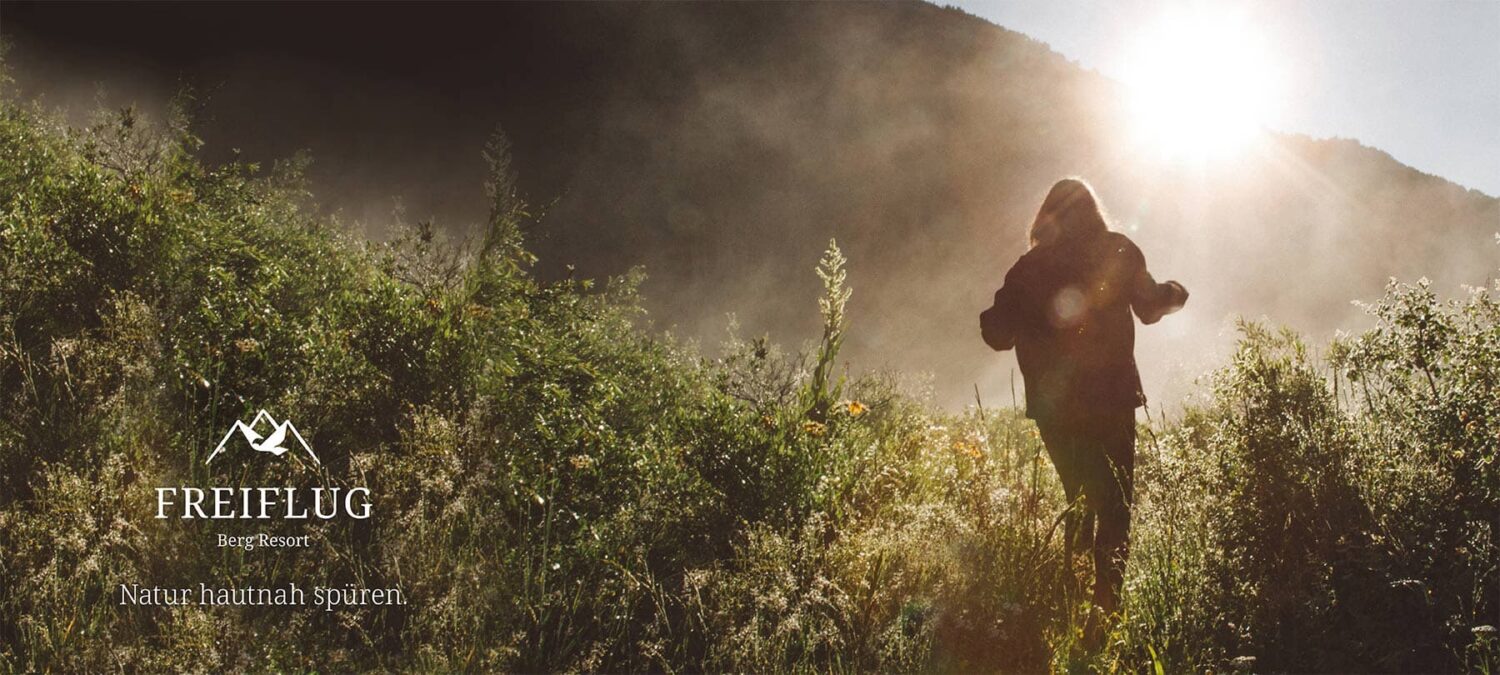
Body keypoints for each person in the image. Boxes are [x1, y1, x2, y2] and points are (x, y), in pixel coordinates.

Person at [979, 177, 1187, 632]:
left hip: (1056, 407)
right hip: (1112, 397)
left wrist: (1018, 317)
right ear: (1093, 211)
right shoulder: (1118, 249)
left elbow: (996, 333)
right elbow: (1151, 308)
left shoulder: (1028, 268)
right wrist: (1176, 292)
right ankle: (1104, 615)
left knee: (1079, 498)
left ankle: (1070, 604)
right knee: (1115, 506)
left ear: (1045, 218)